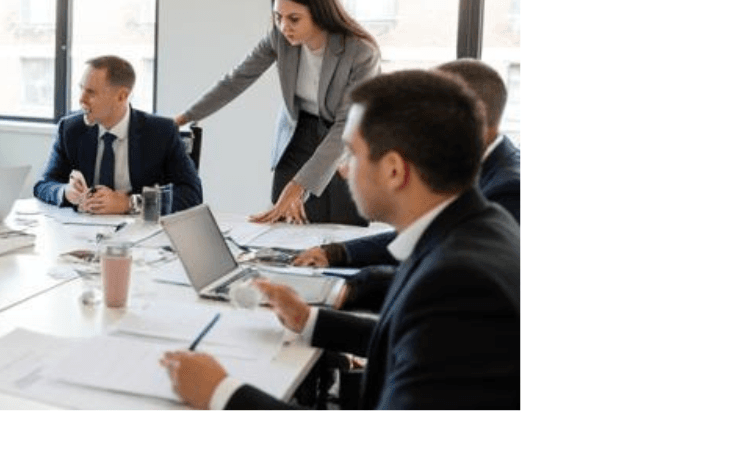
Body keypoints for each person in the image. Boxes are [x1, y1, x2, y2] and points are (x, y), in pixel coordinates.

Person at [161, 69, 520, 409]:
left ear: (394, 170)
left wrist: (223, 393)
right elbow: (407, 340)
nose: (344, 169)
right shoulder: (470, 228)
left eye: (352, 153)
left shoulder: (459, 282)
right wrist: (309, 320)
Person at [296, 58, 521, 312]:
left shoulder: (510, 189)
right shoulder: (482, 168)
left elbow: (449, 279)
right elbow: (430, 234)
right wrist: (339, 254)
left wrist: (349, 288)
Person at [175, 0, 380, 225]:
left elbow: (347, 124)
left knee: (342, 225)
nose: (284, 27)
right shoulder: (279, 39)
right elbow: (235, 80)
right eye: (278, 17)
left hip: (344, 139)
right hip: (298, 134)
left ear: (320, 13)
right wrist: (181, 119)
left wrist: (299, 185)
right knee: (285, 223)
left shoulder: (361, 52)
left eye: (294, 19)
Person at [33, 55, 203, 216]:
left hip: (141, 231)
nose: (81, 99)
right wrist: (65, 192)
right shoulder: (70, 129)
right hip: (82, 230)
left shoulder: (161, 132)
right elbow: (43, 185)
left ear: (121, 96)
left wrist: (129, 203)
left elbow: (192, 194)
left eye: (91, 92)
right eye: (81, 89)